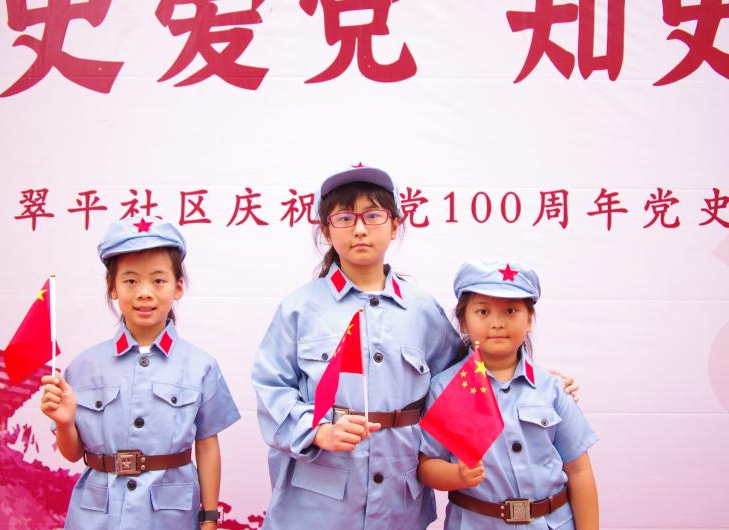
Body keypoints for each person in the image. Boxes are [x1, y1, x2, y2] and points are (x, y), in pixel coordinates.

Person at [251, 166, 461, 529]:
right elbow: (271, 387)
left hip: (398, 498)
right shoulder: (300, 308)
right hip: (316, 502)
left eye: (373, 215)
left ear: (395, 225)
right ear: (326, 230)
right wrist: (317, 430)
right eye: (345, 218)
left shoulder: (422, 310)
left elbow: (460, 383)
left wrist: (524, 376)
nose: (360, 229)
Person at [40, 217, 240, 530]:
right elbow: (72, 453)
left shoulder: (200, 365)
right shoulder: (84, 366)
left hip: (169, 517)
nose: (144, 293)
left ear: (178, 287)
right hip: (97, 517)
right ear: (113, 287)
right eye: (131, 281)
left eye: (158, 281)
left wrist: (209, 517)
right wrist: (64, 422)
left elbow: (206, 445)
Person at [418, 260, 598, 529]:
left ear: (530, 320)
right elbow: (426, 466)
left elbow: (579, 470)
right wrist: (457, 474)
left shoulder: (551, 388)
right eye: (483, 312)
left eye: (511, 311)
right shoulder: (447, 388)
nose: (497, 323)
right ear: (463, 322)